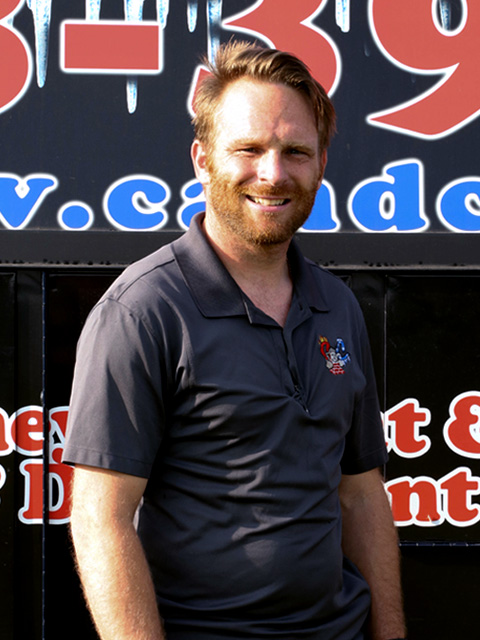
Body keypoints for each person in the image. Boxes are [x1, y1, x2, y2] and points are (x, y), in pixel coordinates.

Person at [63, 41, 406, 640]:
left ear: (321, 162)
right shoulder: (142, 311)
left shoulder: (339, 307)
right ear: (202, 160)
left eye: (295, 151)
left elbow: (360, 496)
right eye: (248, 149)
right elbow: (101, 520)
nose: (273, 174)